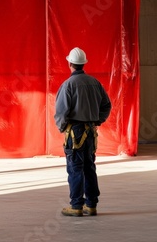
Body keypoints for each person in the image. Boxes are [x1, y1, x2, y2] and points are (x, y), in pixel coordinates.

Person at [54, 47, 111, 217]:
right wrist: (97, 120)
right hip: (90, 133)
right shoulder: (95, 83)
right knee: (89, 167)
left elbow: (61, 112)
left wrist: (62, 127)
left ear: (70, 63)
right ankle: (91, 205)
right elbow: (106, 105)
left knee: (75, 168)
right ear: (83, 63)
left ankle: (76, 205)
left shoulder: (68, 85)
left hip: (75, 132)